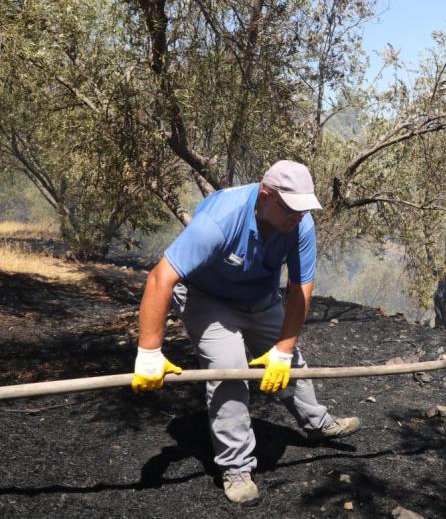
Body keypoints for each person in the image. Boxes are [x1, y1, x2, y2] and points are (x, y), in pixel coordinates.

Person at [131, 160, 361, 504]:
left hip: (260, 297)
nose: (298, 217)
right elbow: (160, 277)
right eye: (291, 210)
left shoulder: (300, 225)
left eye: (303, 210)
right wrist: (149, 352)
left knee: (290, 361)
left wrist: (282, 350)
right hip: (207, 298)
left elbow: (300, 289)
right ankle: (236, 465)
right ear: (265, 196)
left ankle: (317, 423)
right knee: (229, 370)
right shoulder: (221, 218)